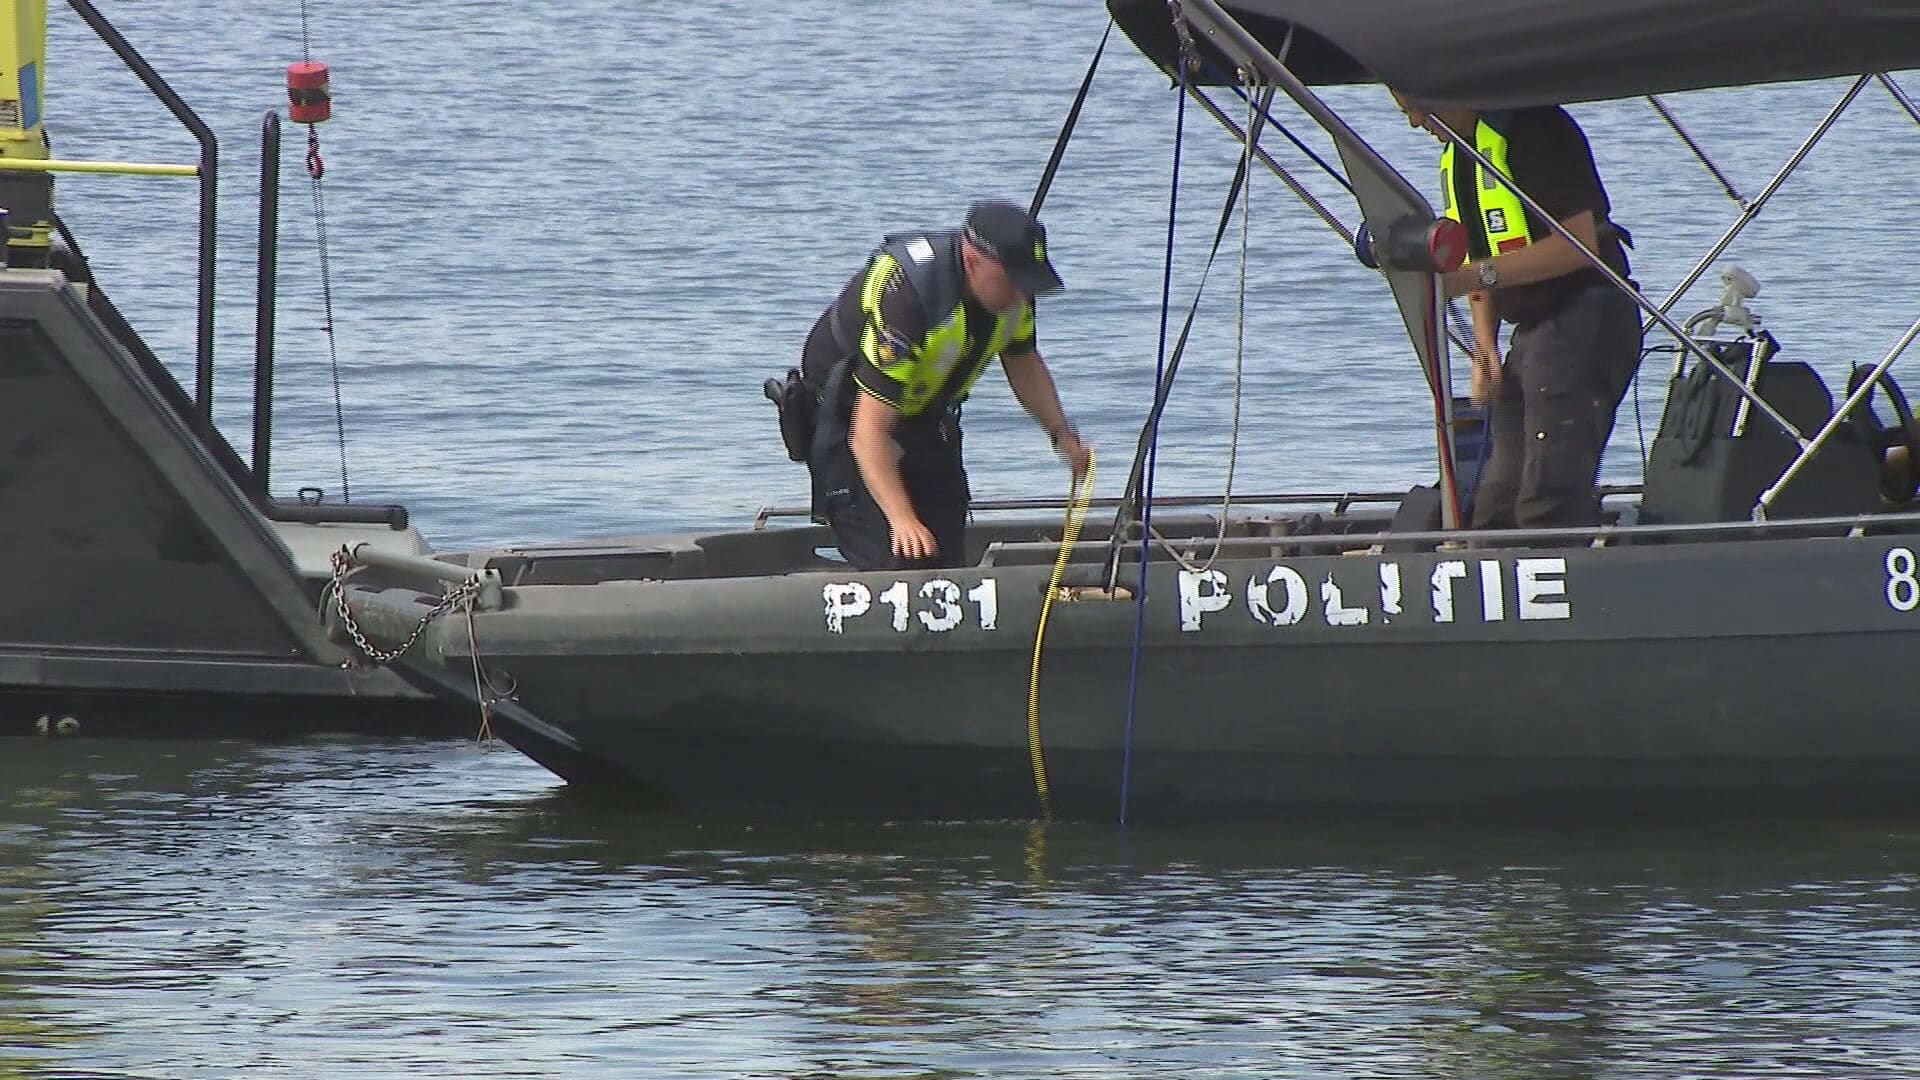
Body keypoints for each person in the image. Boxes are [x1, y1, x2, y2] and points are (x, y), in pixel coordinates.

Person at [1391, 89, 1645, 533]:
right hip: (1527, 329)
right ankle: (1491, 565)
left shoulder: (1536, 131)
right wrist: (1484, 347)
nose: (1415, 122)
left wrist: (1464, 281)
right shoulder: (1460, 155)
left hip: (1586, 312)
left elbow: (1580, 246)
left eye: (1418, 108)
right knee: (1499, 492)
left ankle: (1560, 569)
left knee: (1550, 485)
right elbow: (1477, 251)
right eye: (1406, 111)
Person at [796, 199, 1092, 570]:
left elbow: (1023, 363)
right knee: (898, 554)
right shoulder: (910, 300)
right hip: (848, 417)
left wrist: (1062, 434)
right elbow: (867, 435)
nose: (1021, 294)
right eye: (1013, 280)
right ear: (973, 260)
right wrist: (902, 519)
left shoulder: (1012, 294)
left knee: (946, 552)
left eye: (1027, 282)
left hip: (921, 414)